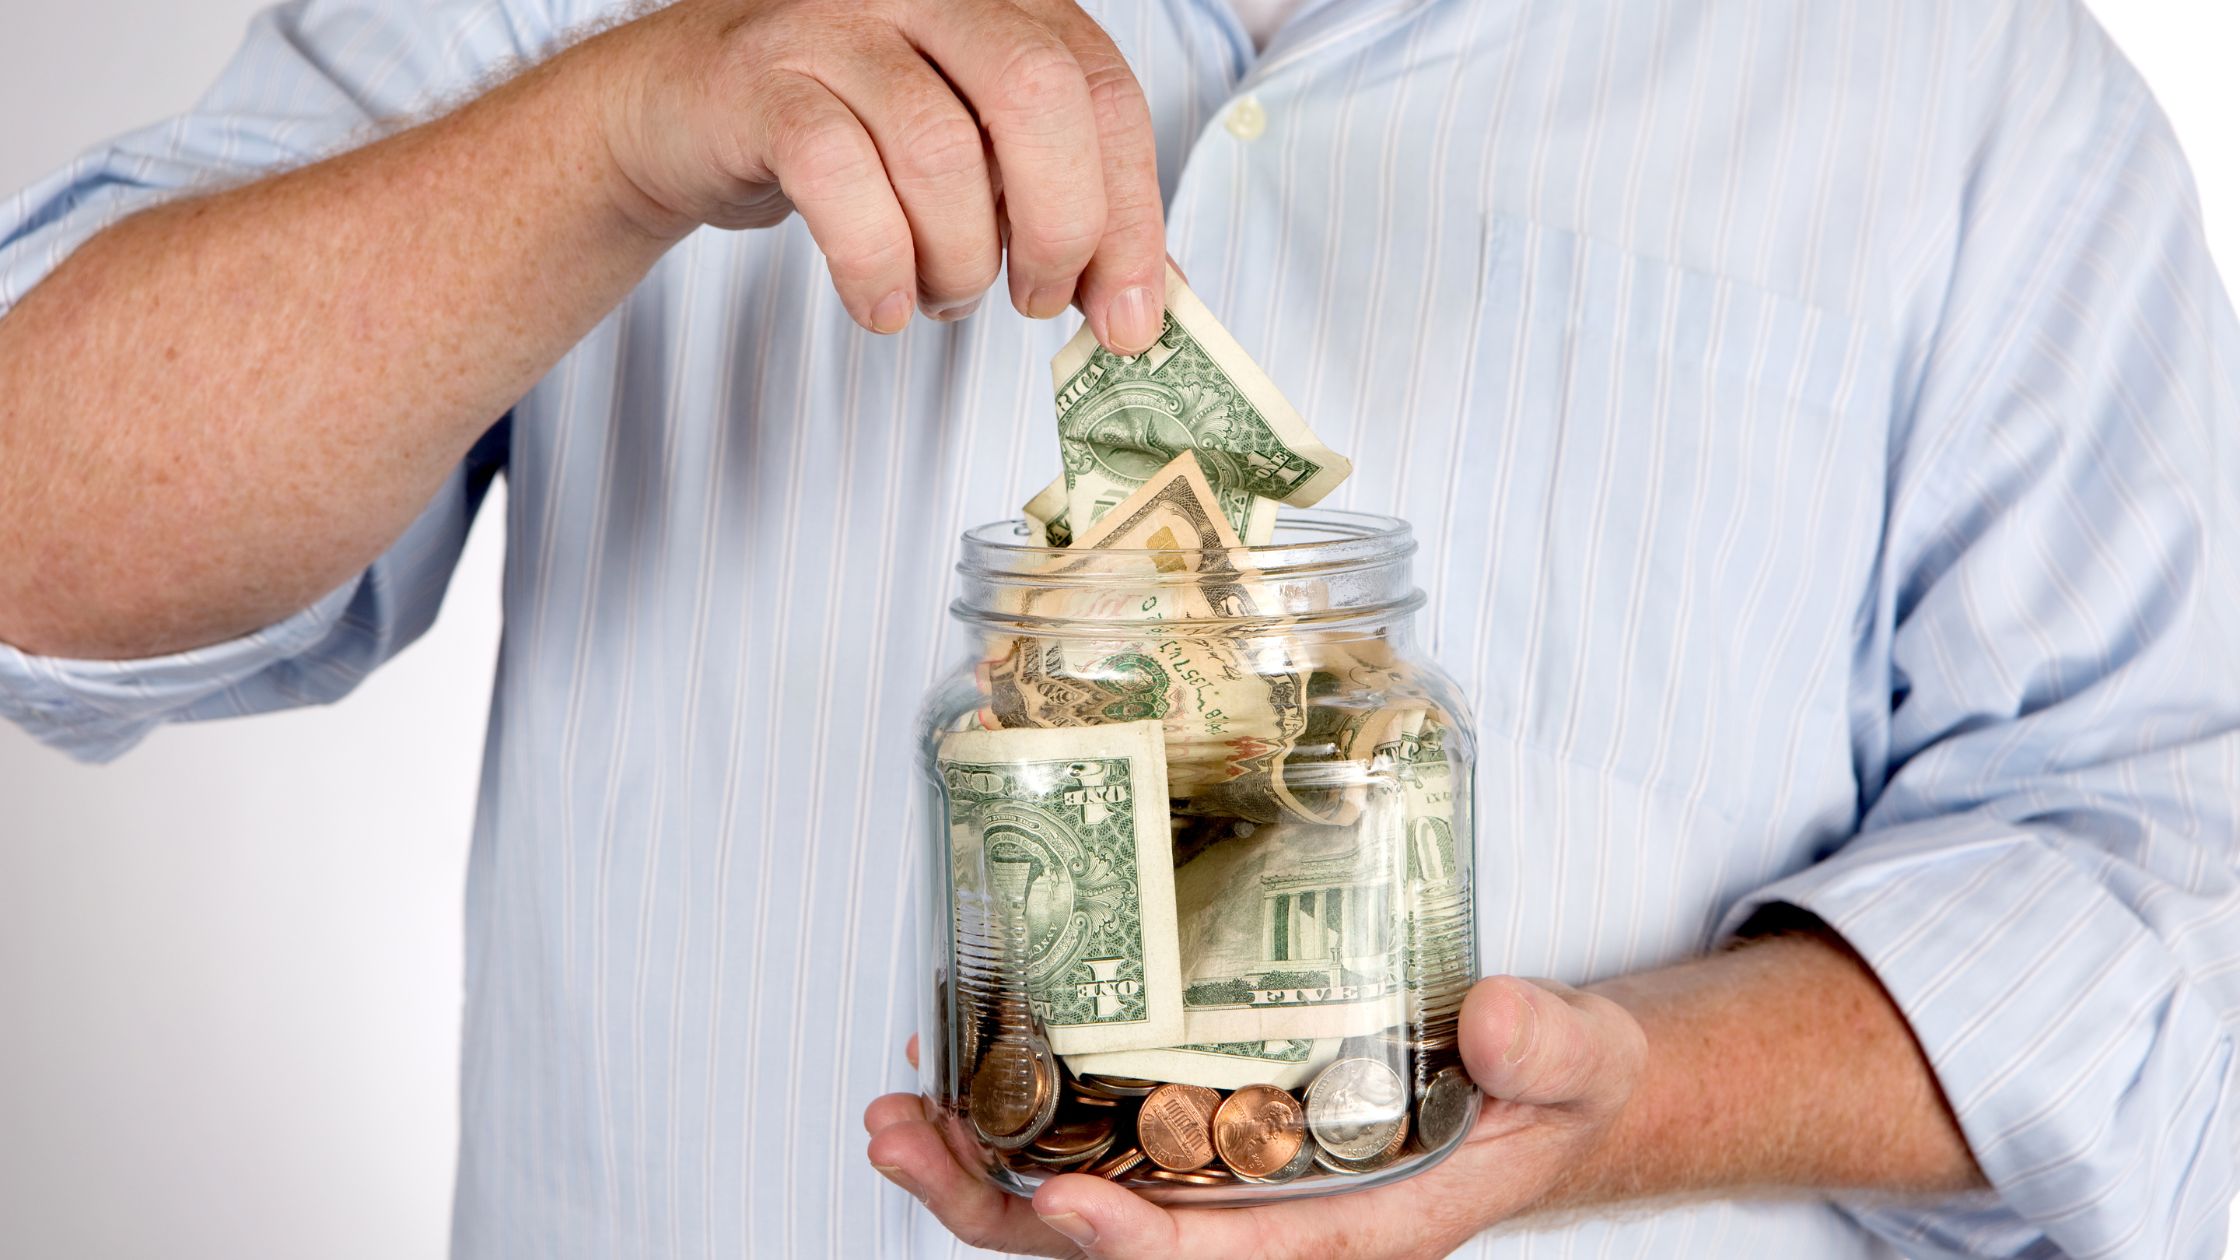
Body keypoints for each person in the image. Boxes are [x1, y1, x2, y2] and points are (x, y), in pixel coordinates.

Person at [2, 0, 2235, 1255]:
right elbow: (37, 532)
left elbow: (2169, 901)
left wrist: (1639, 1099)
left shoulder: (1970, 91)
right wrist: (612, 129)